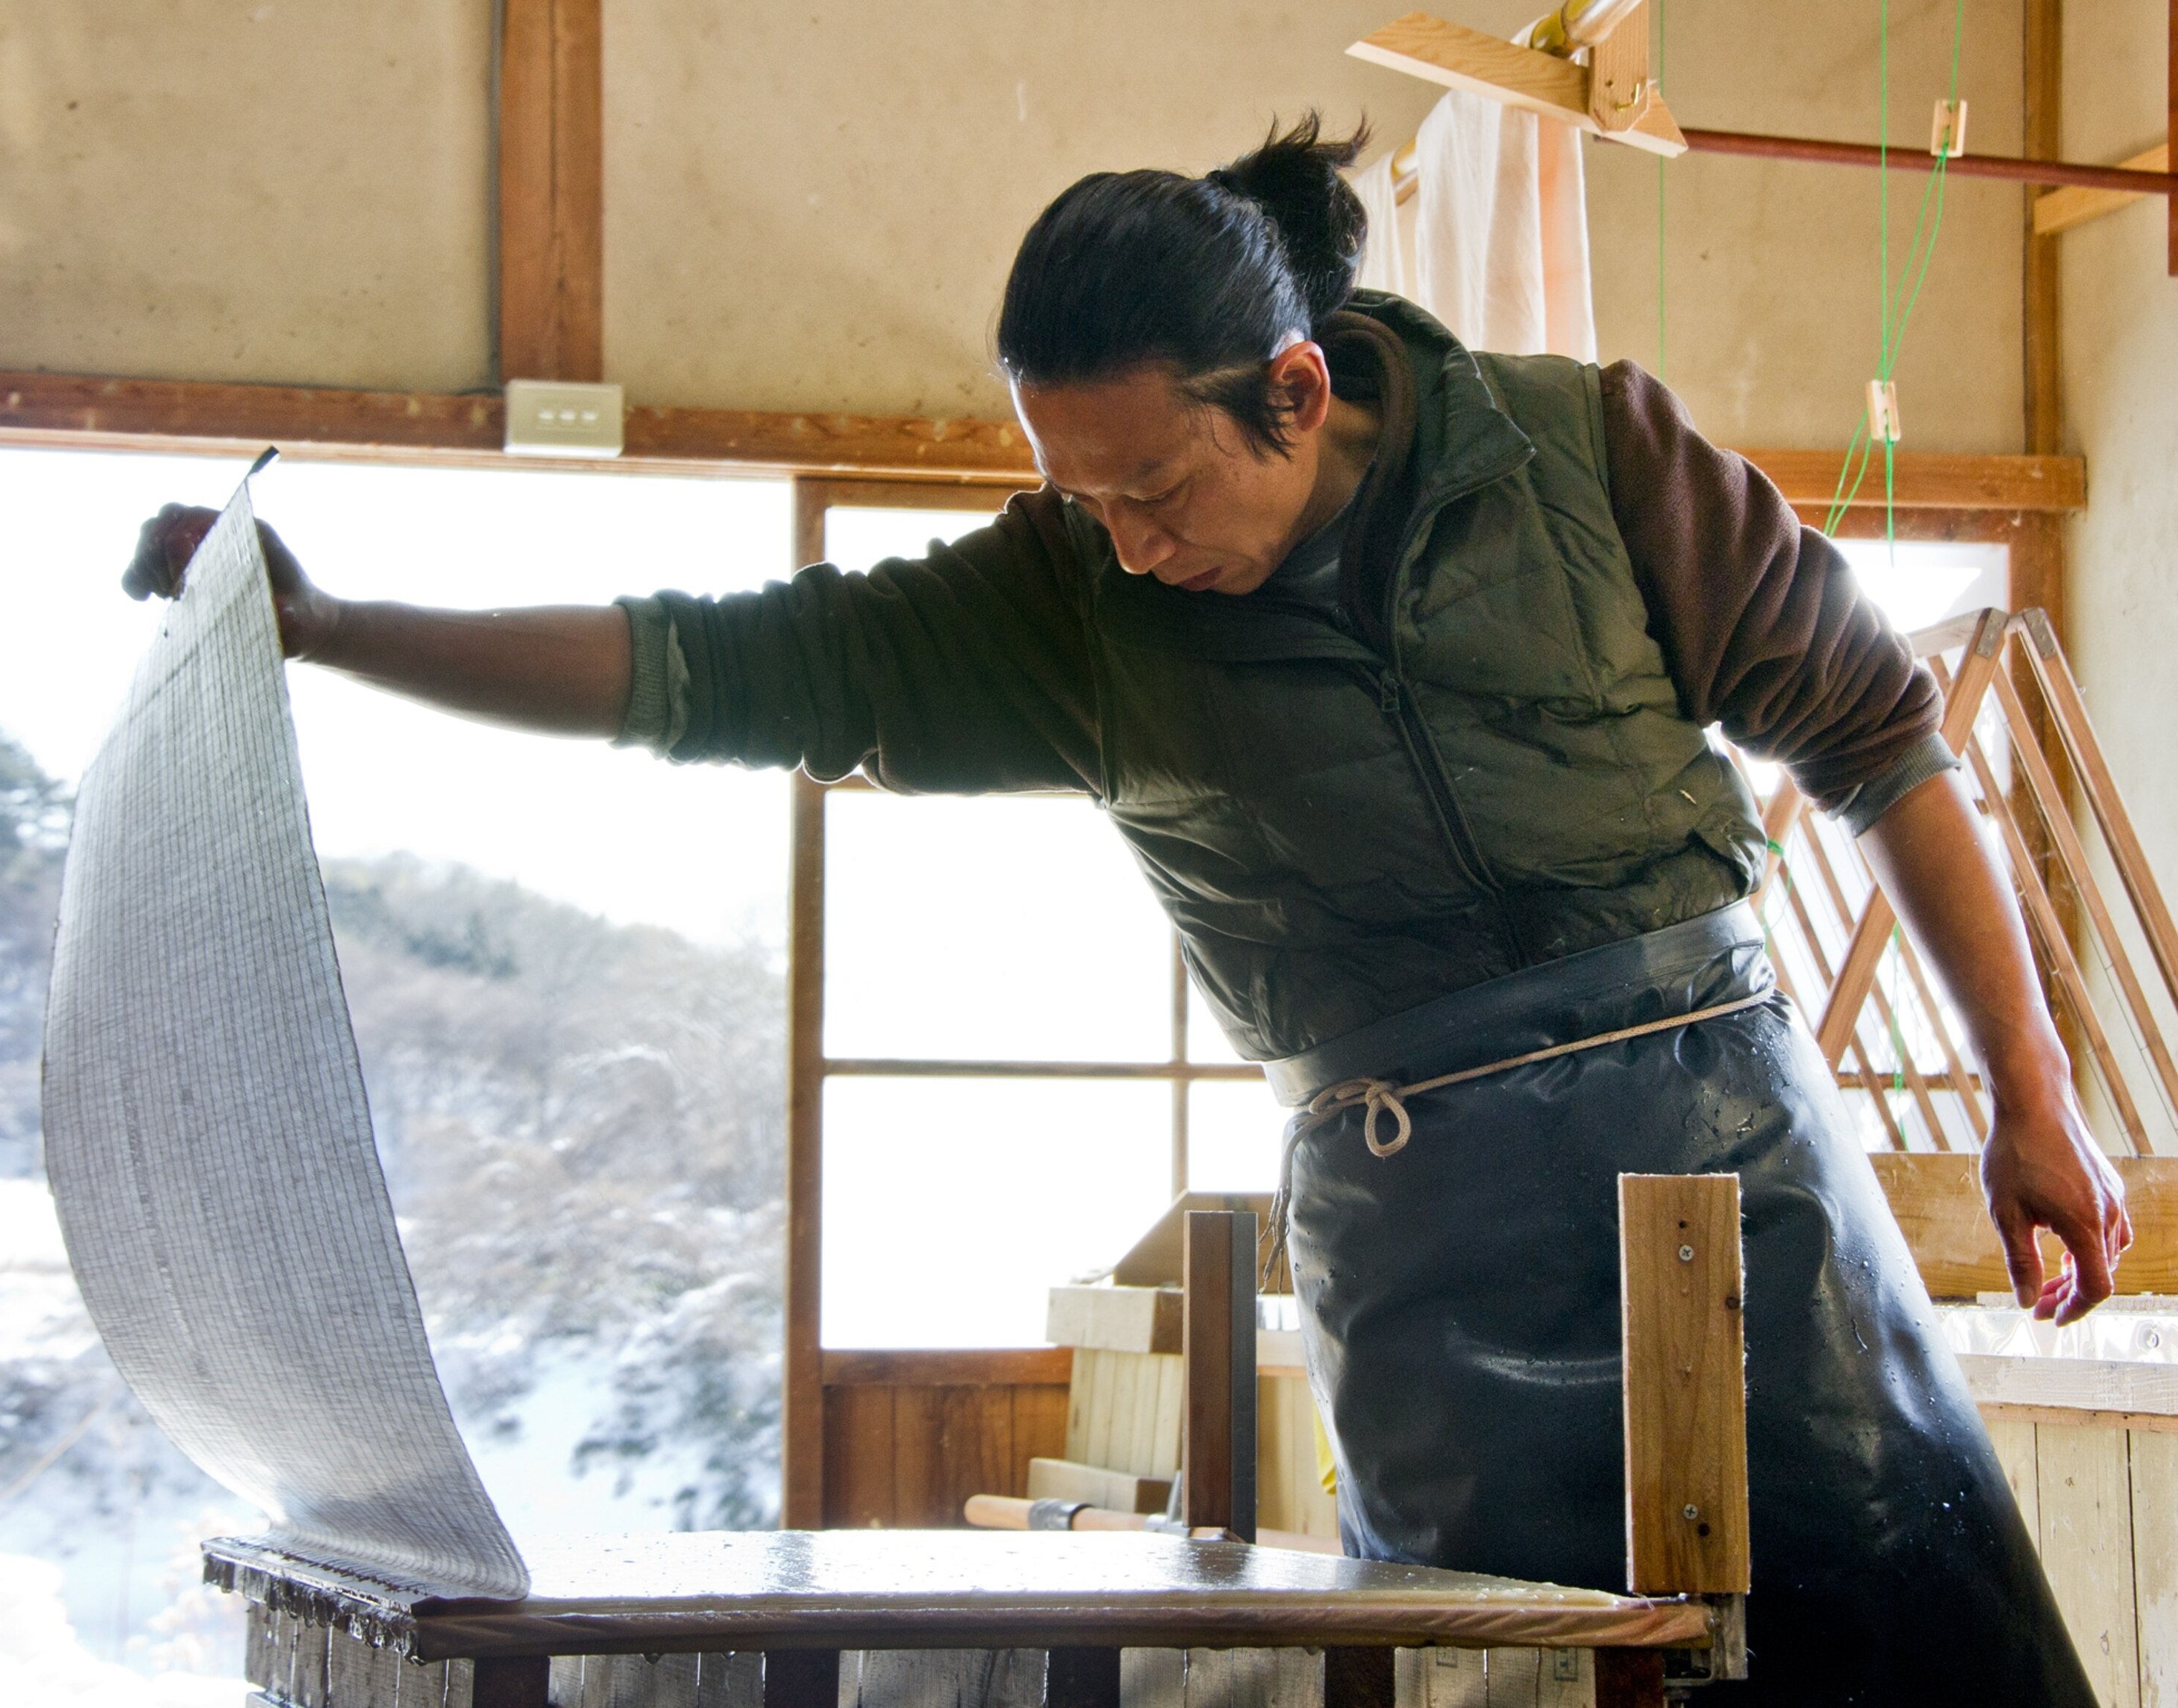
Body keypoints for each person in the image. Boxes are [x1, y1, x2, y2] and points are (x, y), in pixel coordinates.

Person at [127, 116, 2122, 1703]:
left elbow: (1882, 744)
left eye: (1159, 488)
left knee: (1916, 1645)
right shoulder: (1069, 609)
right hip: (1421, 1236)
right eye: (1084, 497)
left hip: (1739, 1185)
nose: (1131, 542)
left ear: (1294, 385)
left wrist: (2031, 1096)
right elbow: (701, 668)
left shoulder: (1587, 453)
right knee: (1511, 1685)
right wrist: (326, 628)